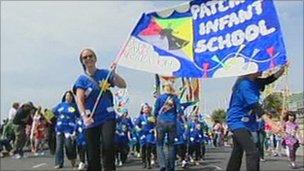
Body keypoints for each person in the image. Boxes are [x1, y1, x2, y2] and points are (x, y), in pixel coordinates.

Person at [74, 48, 126, 171]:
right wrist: (84, 117)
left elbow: (123, 85)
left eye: (90, 56)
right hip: (91, 119)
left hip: (107, 117)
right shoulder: (81, 80)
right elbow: (80, 100)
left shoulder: (104, 73)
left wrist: (114, 72)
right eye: (85, 57)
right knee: (92, 153)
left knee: (108, 146)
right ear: (82, 61)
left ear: (95, 58)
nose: (88, 58)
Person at [226, 69, 285, 171]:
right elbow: (255, 106)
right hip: (237, 121)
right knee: (252, 152)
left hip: (247, 122)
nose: (262, 69)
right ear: (251, 69)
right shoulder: (244, 84)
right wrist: (272, 124)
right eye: (259, 67)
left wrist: (282, 69)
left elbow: (268, 80)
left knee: (237, 151)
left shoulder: (254, 81)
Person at [154, 81, 182, 171]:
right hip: (172, 122)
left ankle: (162, 164)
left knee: (159, 144)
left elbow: (155, 111)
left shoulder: (160, 98)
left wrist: (155, 119)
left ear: (163, 88)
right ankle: (171, 167)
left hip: (161, 122)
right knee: (171, 145)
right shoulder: (175, 98)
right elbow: (179, 111)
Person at [53, 91, 79, 169]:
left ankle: (72, 159)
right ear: (65, 97)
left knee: (69, 146)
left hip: (70, 130)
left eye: (70, 96)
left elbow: (79, 116)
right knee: (59, 146)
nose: (68, 97)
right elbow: (52, 113)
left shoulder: (75, 106)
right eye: (67, 96)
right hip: (59, 129)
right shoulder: (60, 105)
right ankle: (58, 163)